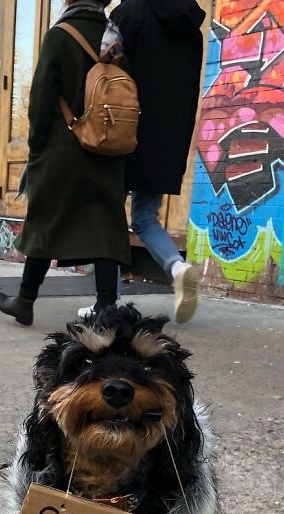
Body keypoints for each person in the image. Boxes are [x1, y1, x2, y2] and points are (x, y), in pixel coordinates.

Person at [0, 0, 130, 327]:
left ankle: (25, 301)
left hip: (61, 148)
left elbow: (41, 97)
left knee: (45, 221)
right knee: (106, 226)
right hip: (106, 147)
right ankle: (106, 308)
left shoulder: (60, 35)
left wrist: (36, 146)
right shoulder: (115, 38)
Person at [110, 0, 205, 323]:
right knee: (144, 218)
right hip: (167, 139)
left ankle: (107, 303)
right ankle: (177, 267)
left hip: (124, 130)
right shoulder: (190, 25)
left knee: (107, 217)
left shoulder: (129, 13)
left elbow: (106, 64)